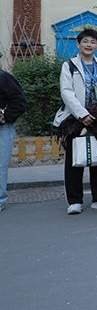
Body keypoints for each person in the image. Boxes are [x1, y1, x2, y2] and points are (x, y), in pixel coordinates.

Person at [54, 28, 97, 215]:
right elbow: (66, 92)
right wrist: (82, 114)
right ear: (78, 44)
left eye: (93, 42)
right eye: (85, 41)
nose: (89, 45)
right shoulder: (69, 66)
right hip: (76, 118)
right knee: (74, 160)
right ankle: (75, 201)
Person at [0, 68, 28, 212]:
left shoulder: (3, 78)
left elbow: (20, 101)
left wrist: (5, 117)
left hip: (3, 128)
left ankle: (0, 200)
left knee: (0, 166)